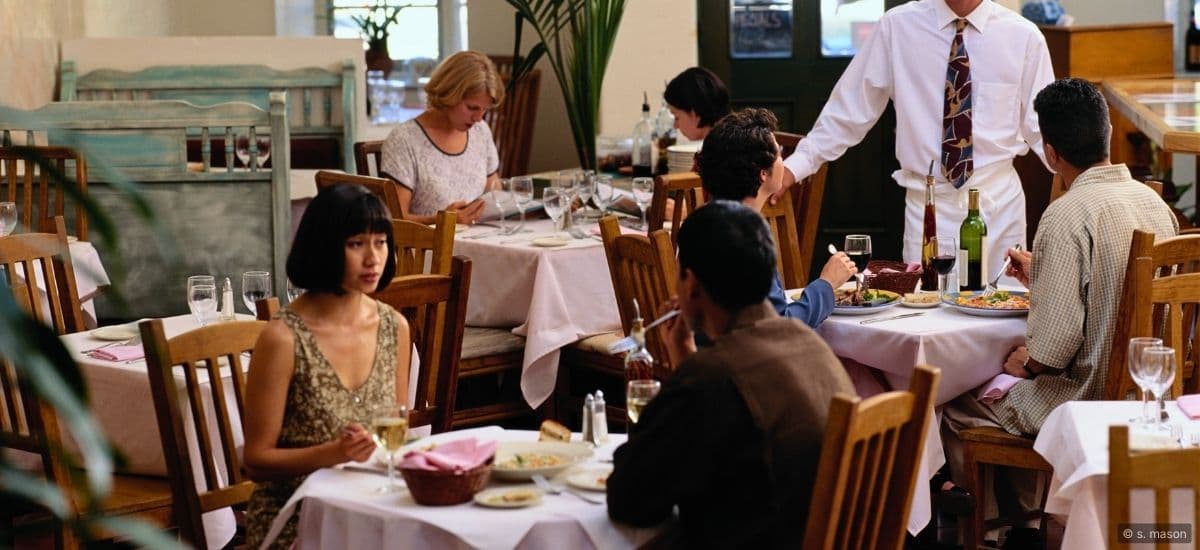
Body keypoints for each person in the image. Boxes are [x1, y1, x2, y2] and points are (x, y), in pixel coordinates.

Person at [941, 78, 1177, 539]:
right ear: (1107, 133)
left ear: (1050, 154)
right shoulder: (1155, 205)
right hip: (1150, 397)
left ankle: (993, 534)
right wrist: (1045, 274)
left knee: (956, 400)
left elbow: (1054, 346)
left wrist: (1027, 363)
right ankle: (1028, 525)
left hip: (1085, 400)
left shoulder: (1066, 215)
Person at [607, 200, 854, 547]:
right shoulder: (809, 344)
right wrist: (685, 356)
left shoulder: (713, 375)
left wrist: (688, 371)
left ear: (690, 285)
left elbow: (631, 501)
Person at [776, 0, 1054, 280]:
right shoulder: (897, 27)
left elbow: (1045, 129)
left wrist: (1088, 180)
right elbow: (847, 110)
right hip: (928, 209)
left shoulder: (1024, 36)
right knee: (925, 316)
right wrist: (796, 166)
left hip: (998, 209)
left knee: (1004, 311)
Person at [243, 184, 412, 549]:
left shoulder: (394, 327)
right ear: (324, 247)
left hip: (373, 508)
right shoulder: (283, 339)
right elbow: (255, 461)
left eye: (380, 242)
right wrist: (331, 455)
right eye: (356, 244)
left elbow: (397, 432)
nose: (373, 258)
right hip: (299, 516)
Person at [696, 107, 856, 328]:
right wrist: (826, 284)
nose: (784, 159)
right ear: (763, 172)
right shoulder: (745, 238)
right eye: (779, 153)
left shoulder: (701, 224)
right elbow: (779, 326)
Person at [380, 50, 503, 225]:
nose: (478, 118)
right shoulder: (404, 140)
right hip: (429, 248)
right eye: (472, 108)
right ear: (449, 94)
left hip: (479, 242)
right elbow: (395, 221)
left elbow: (494, 192)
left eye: (485, 110)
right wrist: (443, 221)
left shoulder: (480, 132)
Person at [664, 67, 732, 142]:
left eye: (677, 117)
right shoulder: (727, 142)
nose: (675, 126)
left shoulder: (721, 151)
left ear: (695, 114)